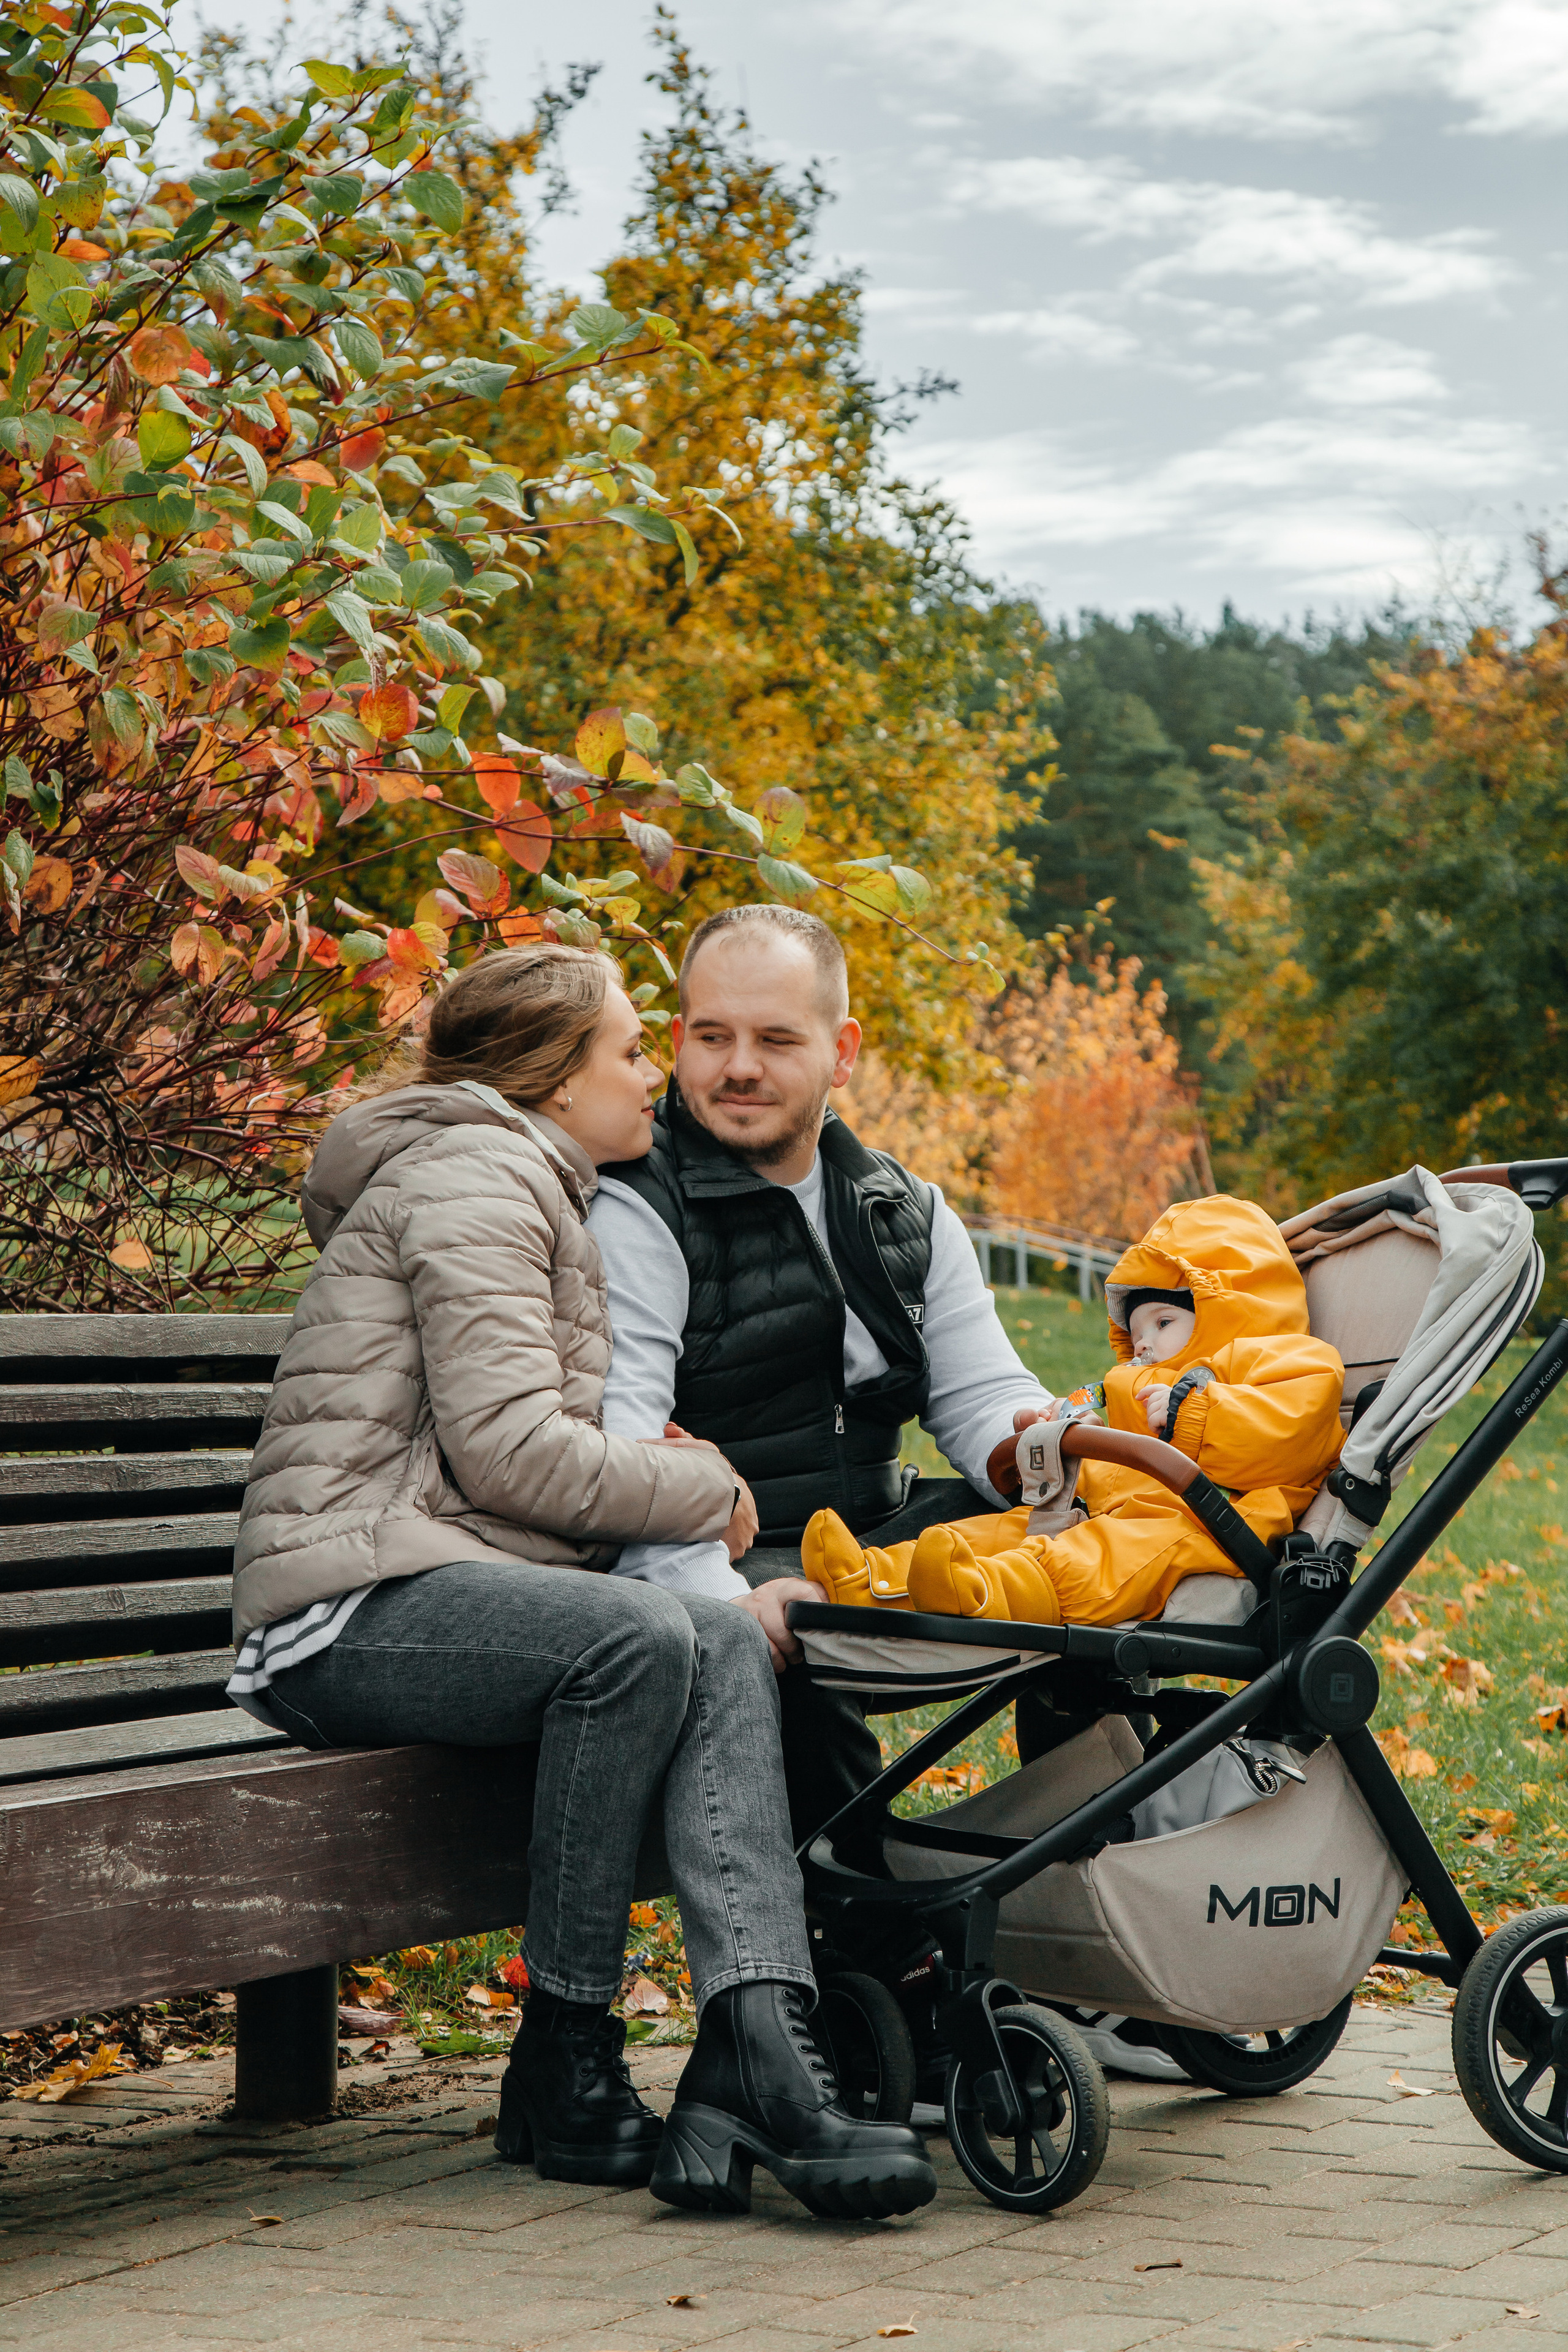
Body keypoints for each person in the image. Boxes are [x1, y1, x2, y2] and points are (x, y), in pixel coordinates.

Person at [228, 944, 935, 2222]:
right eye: (627, 1051)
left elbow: (507, 1450)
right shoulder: (480, 1179)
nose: (649, 1078)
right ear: (556, 1082)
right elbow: (510, 1453)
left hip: (435, 1590)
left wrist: (649, 1482)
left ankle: (751, 2046)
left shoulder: (529, 1181)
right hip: (340, 1614)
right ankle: (563, 2049)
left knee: (702, 1638)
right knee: (640, 1641)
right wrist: (706, 1486)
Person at [588, 905, 1060, 1849]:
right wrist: (728, 1609)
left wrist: (1059, 1462)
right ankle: (872, 1949)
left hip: (882, 1531)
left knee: (1093, 1574)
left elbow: (978, 1399)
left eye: (776, 1039)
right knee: (797, 1639)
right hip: (726, 1555)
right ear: (677, 1043)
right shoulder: (638, 1209)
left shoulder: (905, 1209)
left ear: (841, 1052)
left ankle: (1075, 1877)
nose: (740, 1067)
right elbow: (625, 1452)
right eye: (713, 1037)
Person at [803, 1194, 1346, 1625]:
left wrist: (1195, 1413)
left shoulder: (1293, 1362)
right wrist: (1064, 1426)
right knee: (1010, 1529)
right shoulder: (1132, 1384)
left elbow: (1287, 1435)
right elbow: (1091, 1414)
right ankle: (870, 1577)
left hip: (1213, 1525)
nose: (1146, 1345)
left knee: (1096, 1558)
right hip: (1114, 1505)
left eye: (1163, 1322)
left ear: (1226, 1306)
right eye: (1135, 1334)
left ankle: (984, 1598)